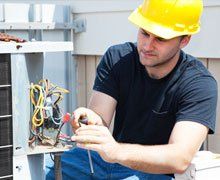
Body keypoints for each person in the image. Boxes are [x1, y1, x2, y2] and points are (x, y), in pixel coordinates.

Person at [46, 0, 217, 179]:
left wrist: (116, 151)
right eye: (144, 33)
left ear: (185, 40)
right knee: (49, 168)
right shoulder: (118, 58)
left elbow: (179, 158)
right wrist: (89, 120)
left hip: (157, 173)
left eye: (160, 38)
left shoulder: (199, 84)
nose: (147, 46)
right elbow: (100, 120)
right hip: (108, 161)